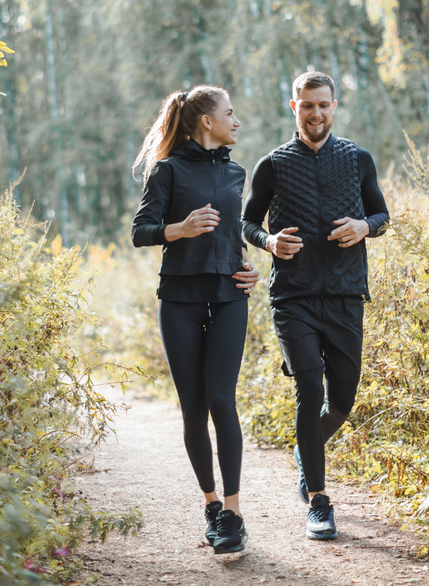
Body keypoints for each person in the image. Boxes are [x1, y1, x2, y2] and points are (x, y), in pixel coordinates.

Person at [241, 71, 389, 540]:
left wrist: (365, 227)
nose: (316, 113)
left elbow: (381, 214)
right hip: (294, 297)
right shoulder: (274, 164)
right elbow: (247, 223)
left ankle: (308, 453)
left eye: (323, 104)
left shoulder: (357, 158)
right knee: (309, 388)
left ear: (334, 105)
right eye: (307, 105)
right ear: (294, 107)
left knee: (341, 400)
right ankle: (320, 503)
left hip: (346, 294)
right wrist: (268, 241)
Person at [131, 85, 259, 554]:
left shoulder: (236, 172)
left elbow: (233, 234)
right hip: (181, 297)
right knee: (194, 408)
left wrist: (248, 265)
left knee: (222, 400)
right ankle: (210, 503)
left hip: (229, 295)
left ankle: (233, 513)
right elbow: (140, 231)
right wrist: (179, 229)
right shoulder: (166, 171)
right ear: (207, 121)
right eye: (230, 113)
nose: (236, 121)